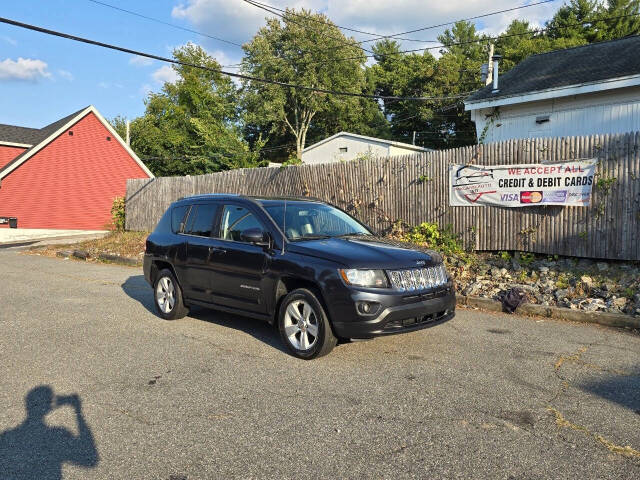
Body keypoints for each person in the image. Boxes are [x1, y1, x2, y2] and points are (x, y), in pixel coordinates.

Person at [0, 385, 99, 479]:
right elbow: (90, 459)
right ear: (49, 407)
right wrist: (78, 411)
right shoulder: (58, 435)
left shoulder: (6, 436)